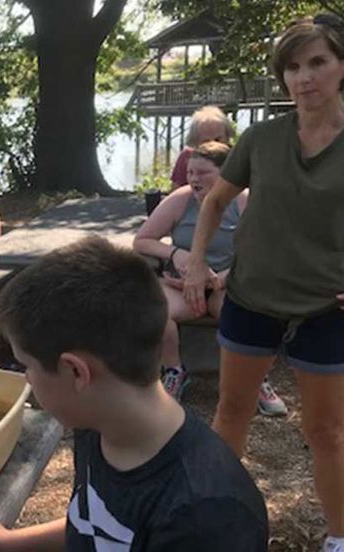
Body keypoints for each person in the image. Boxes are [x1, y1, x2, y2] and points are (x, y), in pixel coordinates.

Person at [0, 236, 268, 551]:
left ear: (76, 372)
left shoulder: (207, 518)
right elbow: (98, 524)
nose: (27, 378)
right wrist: (9, 543)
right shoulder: (99, 424)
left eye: (28, 366)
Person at [183, 14, 344, 552]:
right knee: (232, 412)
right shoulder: (260, 138)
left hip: (325, 309)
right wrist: (196, 263)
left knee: (326, 432)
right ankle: (216, 524)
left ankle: (339, 537)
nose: (304, 77)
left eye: (317, 62)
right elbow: (215, 202)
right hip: (251, 298)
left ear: (341, 66)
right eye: (293, 67)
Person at [134, 141, 287, 416]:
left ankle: (256, 378)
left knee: (251, 313)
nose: (194, 179)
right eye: (190, 172)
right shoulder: (180, 200)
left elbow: (265, 250)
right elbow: (142, 240)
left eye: (203, 173)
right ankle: (174, 371)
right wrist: (177, 254)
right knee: (153, 309)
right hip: (181, 285)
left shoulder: (244, 201)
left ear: (226, 173)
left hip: (227, 284)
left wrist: (225, 277)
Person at [169, 105, 234, 190]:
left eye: (218, 139)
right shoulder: (187, 157)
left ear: (227, 137)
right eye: (206, 141)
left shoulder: (235, 157)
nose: (213, 145)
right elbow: (176, 190)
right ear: (195, 142)